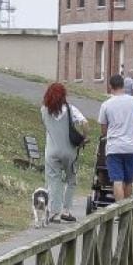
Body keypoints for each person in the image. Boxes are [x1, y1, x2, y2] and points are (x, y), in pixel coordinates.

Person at [39, 81, 86, 223]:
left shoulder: (43, 110)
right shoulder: (70, 109)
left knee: (54, 180)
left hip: (51, 151)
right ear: (64, 95)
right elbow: (85, 123)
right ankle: (66, 210)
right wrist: (84, 138)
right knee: (71, 179)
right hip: (69, 152)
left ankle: (55, 212)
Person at [98, 73, 133, 201]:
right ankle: (126, 213)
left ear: (110, 87)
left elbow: (103, 130)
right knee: (128, 181)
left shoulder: (106, 105)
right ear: (123, 85)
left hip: (114, 147)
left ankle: (119, 212)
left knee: (117, 180)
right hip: (131, 147)